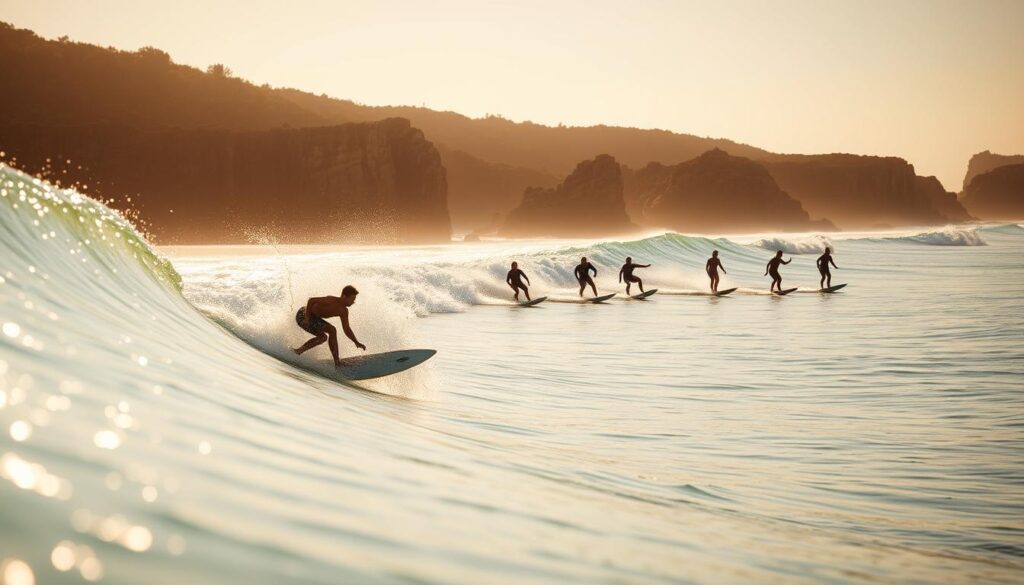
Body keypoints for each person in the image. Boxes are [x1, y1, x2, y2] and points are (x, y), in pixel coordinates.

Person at [292, 285, 366, 366]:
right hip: (303, 315)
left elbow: (347, 329)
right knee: (332, 330)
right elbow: (311, 300)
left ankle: (298, 351)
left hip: (313, 319)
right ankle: (337, 362)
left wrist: (356, 342)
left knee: (323, 337)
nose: (353, 302)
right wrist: (306, 317)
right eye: (352, 299)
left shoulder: (344, 311)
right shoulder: (331, 300)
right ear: (344, 296)